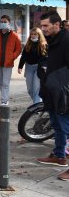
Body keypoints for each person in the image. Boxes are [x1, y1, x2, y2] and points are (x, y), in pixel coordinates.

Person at [35, 11, 69, 180]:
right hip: (50, 92)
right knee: (57, 126)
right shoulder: (49, 41)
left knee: (65, 127)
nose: (43, 29)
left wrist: (57, 82)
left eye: (46, 26)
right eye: (42, 26)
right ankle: (59, 155)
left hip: (63, 94)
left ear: (57, 25)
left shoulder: (66, 40)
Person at [0, 15, 22, 105]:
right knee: (0, 83)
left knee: (6, 83)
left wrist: (13, 57)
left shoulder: (14, 35)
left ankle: (4, 100)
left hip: (8, 63)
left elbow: (19, 48)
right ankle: (5, 97)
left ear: (9, 23)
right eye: (1, 22)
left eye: (5, 22)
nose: (3, 23)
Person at [18, 27, 47, 104]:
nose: (33, 36)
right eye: (32, 34)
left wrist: (44, 66)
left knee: (36, 87)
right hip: (29, 67)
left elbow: (45, 57)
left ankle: (36, 104)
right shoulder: (28, 44)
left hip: (39, 67)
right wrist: (20, 67)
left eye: (35, 34)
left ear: (39, 35)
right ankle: (37, 102)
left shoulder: (43, 45)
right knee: (30, 88)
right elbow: (23, 56)